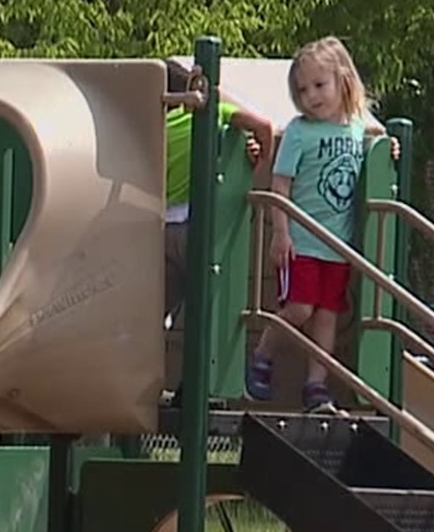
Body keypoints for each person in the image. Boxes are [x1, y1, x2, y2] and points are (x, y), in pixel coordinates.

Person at [244, 36, 387, 412]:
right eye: (302, 90)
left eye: (319, 86)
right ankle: (262, 355)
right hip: (302, 242)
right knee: (300, 308)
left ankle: (315, 386)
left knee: (327, 316)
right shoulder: (299, 131)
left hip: (336, 245)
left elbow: (377, 146)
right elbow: (280, 183)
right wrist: (281, 232)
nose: (311, 96)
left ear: (343, 80)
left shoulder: (357, 130)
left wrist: (390, 150)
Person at [162, 59, 275, 406]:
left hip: (161, 230)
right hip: (200, 227)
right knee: (207, 310)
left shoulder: (155, 126)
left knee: (156, 313)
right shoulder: (211, 112)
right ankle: (194, 387)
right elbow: (265, 126)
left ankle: (145, 386)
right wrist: (258, 165)